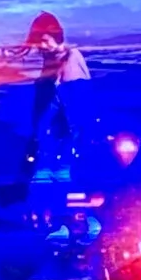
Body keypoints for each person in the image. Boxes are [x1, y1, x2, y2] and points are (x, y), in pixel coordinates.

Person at [17, 9, 90, 182]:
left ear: (55, 35)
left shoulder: (71, 58)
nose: (41, 46)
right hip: (50, 148)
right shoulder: (53, 58)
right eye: (39, 41)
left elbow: (76, 109)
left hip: (61, 152)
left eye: (44, 40)